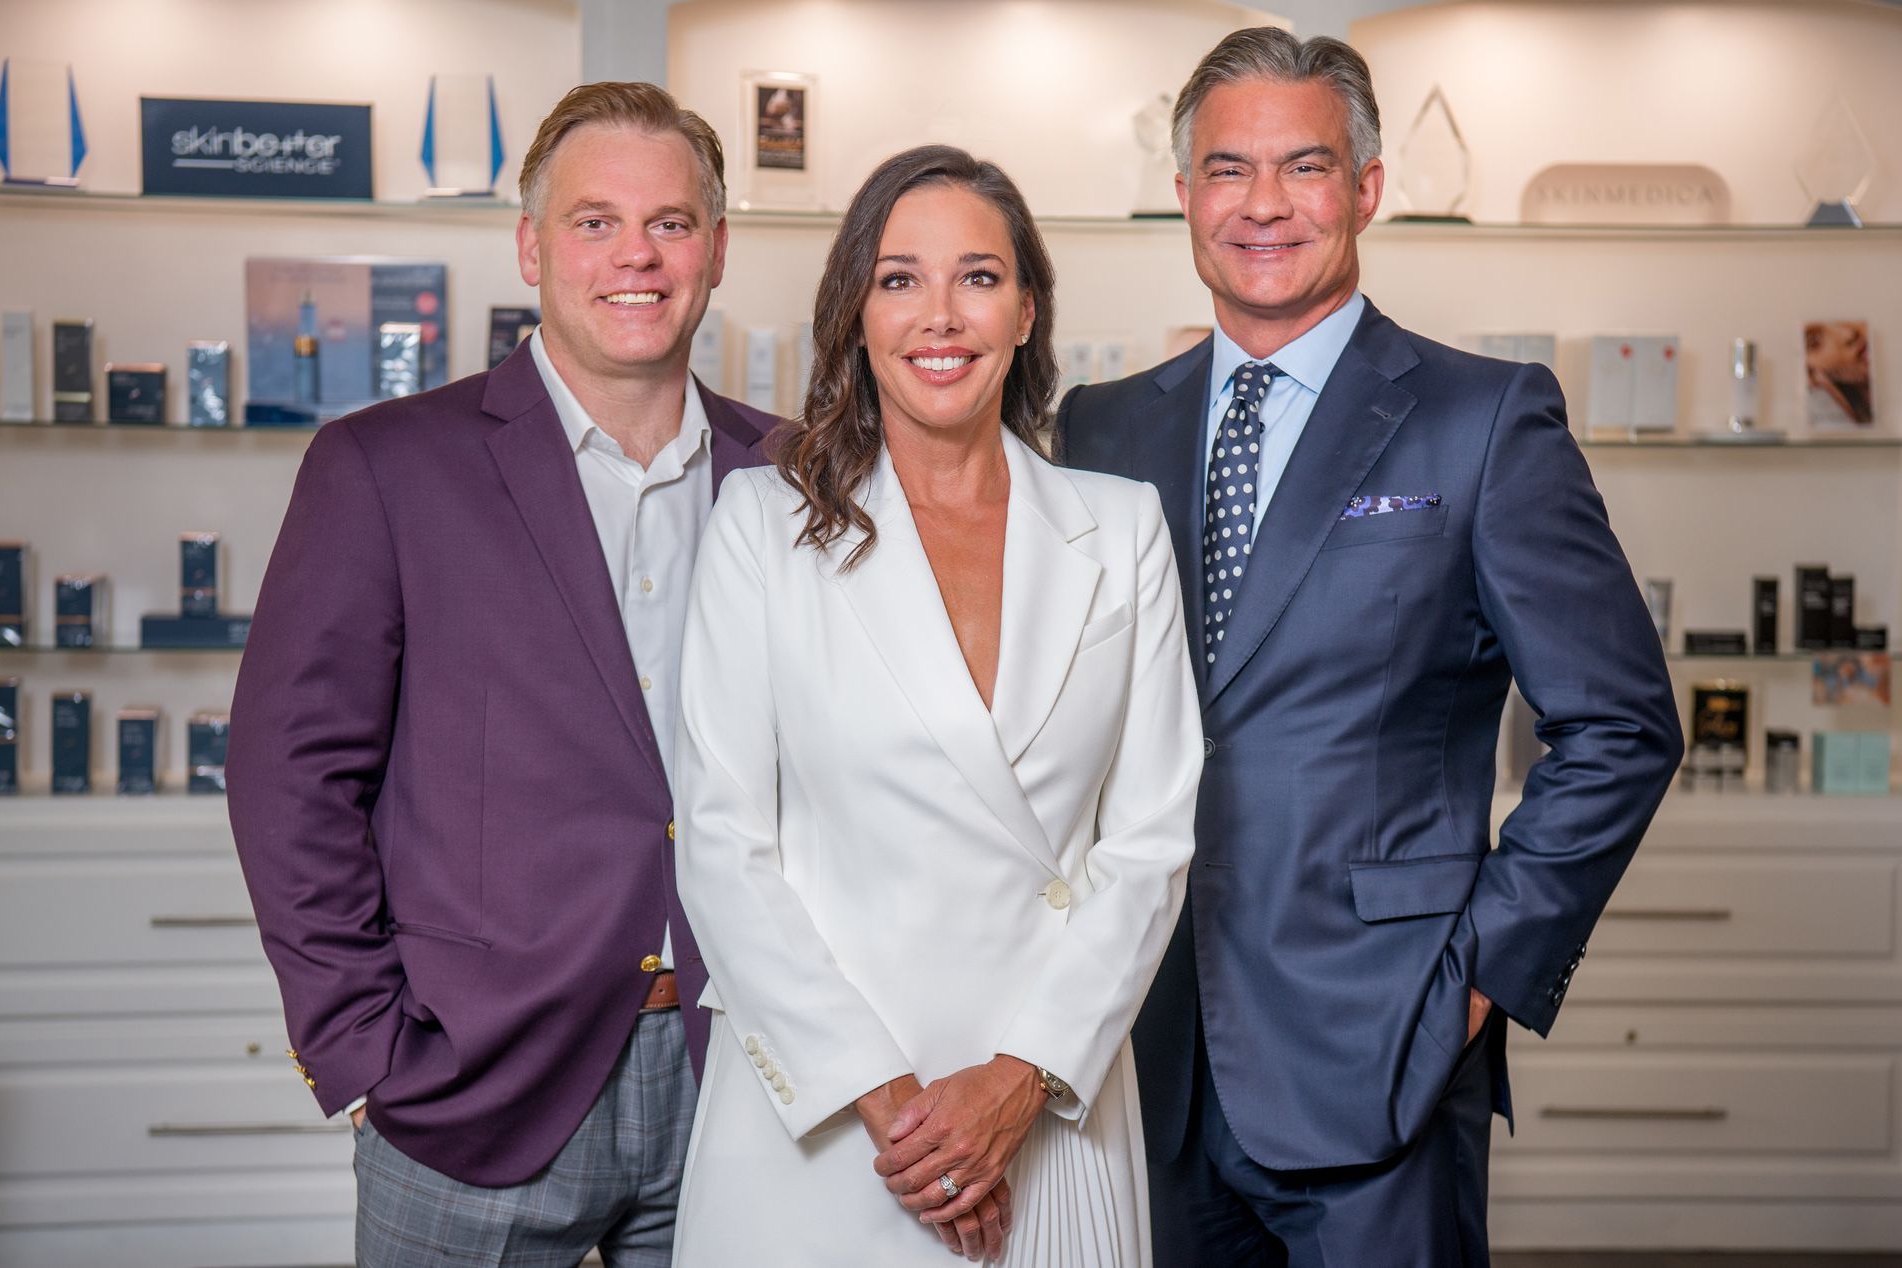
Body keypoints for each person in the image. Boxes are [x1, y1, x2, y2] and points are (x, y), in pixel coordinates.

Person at [1058, 28, 1684, 1267]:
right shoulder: (1103, 426)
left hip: (1384, 1048)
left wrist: (1479, 974)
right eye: (1229, 170)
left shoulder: (1485, 420)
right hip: (1147, 1053)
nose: (1265, 205)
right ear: (1183, 195)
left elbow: (1620, 725)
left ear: (1368, 187)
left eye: (1306, 166)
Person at [226, 82, 779, 1266]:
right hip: (478, 1088)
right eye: (594, 222)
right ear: (531, 245)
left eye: (672, 223)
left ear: (718, 249)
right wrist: (367, 1047)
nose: (636, 254)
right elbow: (288, 774)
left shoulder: (786, 475)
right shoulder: (384, 468)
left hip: (739, 1077)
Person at [670, 145, 1202, 1266]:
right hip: (835, 1115)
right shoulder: (762, 524)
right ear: (856, 313)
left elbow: (1151, 839)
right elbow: (723, 845)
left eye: (978, 276)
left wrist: (1016, 1081)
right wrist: (901, 1113)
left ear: (1025, 312)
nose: (939, 315)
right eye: (899, 278)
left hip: (1049, 1091)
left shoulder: (1121, 526)